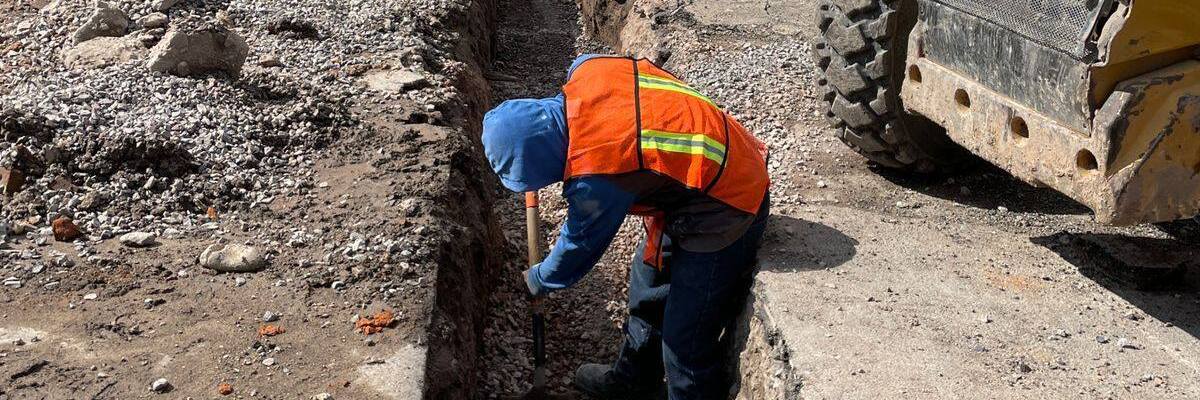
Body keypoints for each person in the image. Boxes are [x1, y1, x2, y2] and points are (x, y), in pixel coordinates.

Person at [482, 54, 770, 400]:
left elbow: (579, 246)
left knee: (685, 338)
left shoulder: (596, 171)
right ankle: (634, 380)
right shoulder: (585, 72)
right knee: (647, 281)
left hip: (727, 198)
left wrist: (540, 278)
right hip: (690, 182)